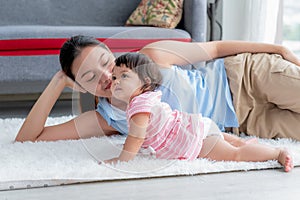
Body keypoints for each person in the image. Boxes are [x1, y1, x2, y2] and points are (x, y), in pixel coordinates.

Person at [15, 35, 300, 142]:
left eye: (105, 61)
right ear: (81, 87)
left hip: (246, 78)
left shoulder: (151, 55)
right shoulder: (108, 119)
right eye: (89, 77)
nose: (105, 76)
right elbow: (28, 139)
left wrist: (277, 49)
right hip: (243, 124)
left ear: (110, 52)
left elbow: (216, 48)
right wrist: (58, 82)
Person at [103, 52, 293, 172]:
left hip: (196, 139)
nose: (116, 81)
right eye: (114, 77)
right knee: (231, 141)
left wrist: (123, 159)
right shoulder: (144, 99)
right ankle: (244, 142)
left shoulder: (139, 106)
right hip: (199, 127)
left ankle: (276, 153)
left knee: (236, 154)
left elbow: (136, 138)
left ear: (145, 81)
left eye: (124, 76)